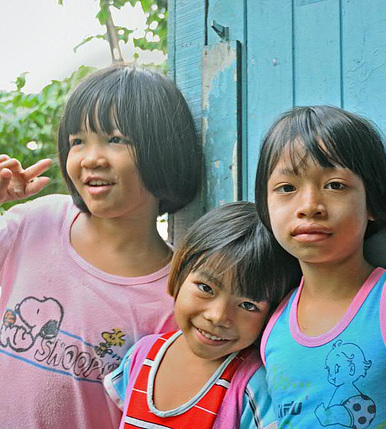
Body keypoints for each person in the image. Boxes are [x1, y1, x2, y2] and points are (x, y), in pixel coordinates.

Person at [0, 64, 202, 427]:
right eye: (78, 141)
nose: (90, 158)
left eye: (116, 139)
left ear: (165, 151)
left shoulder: (175, 295)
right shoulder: (36, 222)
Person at [255, 105, 386, 428]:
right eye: (287, 188)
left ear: (372, 202)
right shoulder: (272, 327)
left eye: (335, 185)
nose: (309, 206)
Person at [104, 201, 301, 428]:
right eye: (206, 288)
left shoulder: (252, 385)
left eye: (248, 305)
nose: (217, 316)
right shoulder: (141, 356)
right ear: (180, 274)